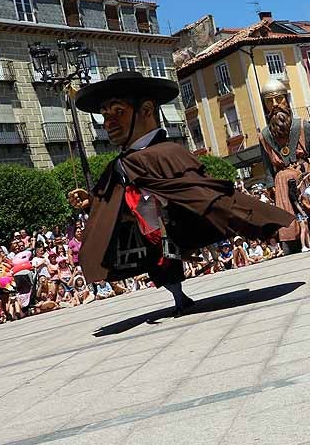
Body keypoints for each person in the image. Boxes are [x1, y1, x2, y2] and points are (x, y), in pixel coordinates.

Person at [68, 71, 293, 316]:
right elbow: (110, 200)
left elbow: (199, 190)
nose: (109, 122)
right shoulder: (119, 165)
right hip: (144, 231)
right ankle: (178, 295)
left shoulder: (169, 152)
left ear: (145, 110)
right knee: (159, 260)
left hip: (178, 221)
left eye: (118, 112)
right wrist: (91, 201)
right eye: (105, 115)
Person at [257, 78, 310, 250]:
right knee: (286, 211)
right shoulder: (264, 135)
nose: (275, 104)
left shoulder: (302, 125)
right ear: (265, 105)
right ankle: (291, 243)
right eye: (270, 101)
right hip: (281, 179)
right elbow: (266, 164)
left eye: (279, 99)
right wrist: (270, 184)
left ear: (286, 99)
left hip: (304, 173)